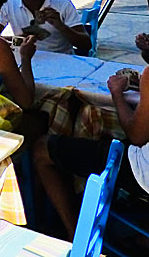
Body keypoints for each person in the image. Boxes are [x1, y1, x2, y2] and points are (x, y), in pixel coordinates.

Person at [34, 32, 149, 239]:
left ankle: (72, 233)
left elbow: (137, 136)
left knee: (42, 148)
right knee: (94, 128)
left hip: (143, 175)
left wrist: (116, 93)